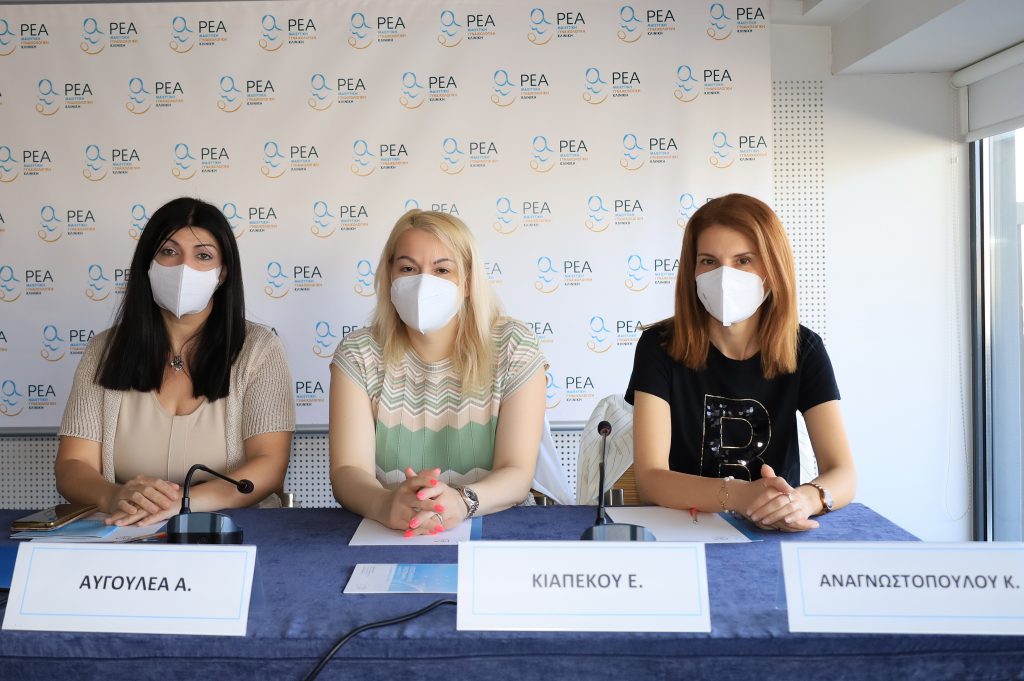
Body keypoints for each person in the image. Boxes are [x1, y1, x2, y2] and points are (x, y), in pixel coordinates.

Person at [56, 197, 295, 527]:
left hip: (236, 531)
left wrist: (178, 505)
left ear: (223, 272)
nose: (184, 268)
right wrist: (114, 496)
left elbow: (269, 465)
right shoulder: (103, 350)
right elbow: (72, 466)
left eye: (203, 256)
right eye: (168, 252)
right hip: (127, 528)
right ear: (148, 264)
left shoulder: (259, 349)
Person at [626, 193, 855, 531]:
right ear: (691, 270)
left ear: (772, 268)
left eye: (744, 260)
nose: (724, 277)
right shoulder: (659, 346)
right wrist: (741, 496)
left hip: (772, 529)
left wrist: (801, 501)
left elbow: (843, 472)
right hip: (684, 529)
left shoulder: (804, 348)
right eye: (708, 261)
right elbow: (650, 479)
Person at [329, 209, 547, 536]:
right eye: (407, 268)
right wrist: (386, 505)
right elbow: (348, 471)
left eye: (442, 269)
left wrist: (462, 501)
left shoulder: (514, 346)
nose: (422, 283)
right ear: (389, 277)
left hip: (497, 528)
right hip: (392, 531)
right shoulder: (358, 352)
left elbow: (516, 472)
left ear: (468, 282)